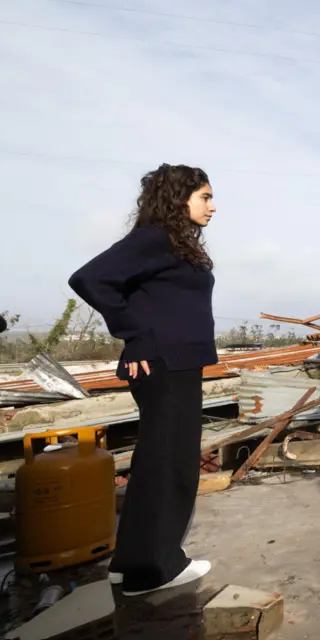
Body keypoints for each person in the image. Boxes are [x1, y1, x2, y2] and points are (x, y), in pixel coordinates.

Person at [69, 164, 219, 597]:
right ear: (179, 197)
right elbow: (90, 279)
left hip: (174, 362)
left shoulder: (172, 243)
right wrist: (134, 336)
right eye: (205, 197)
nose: (213, 206)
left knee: (158, 459)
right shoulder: (154, 238)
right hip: (164, 364)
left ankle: (132, 562)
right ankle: (153, 570)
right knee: (170, 463)